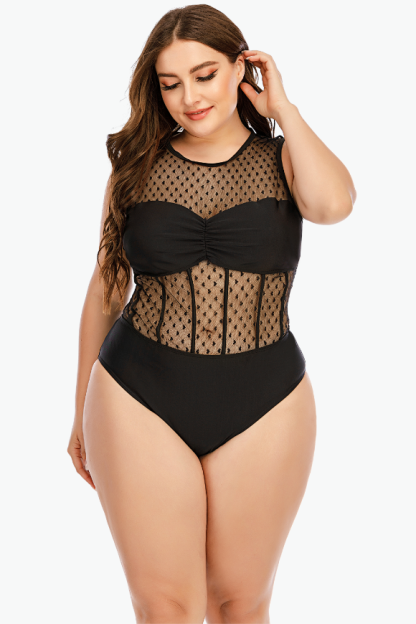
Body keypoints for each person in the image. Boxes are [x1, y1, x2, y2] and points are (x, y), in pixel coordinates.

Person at [67, 4, 356, 623]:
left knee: (239, 605)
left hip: (266, 399)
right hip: (137, 393)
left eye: (205, 75)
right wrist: (78, 411)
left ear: (240, 68)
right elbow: (106, 288)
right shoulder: (134, 167)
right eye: (171, 83)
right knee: (165, 607)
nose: (190, 98)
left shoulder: (283, 157)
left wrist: (284, 109)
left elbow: (333, 205)